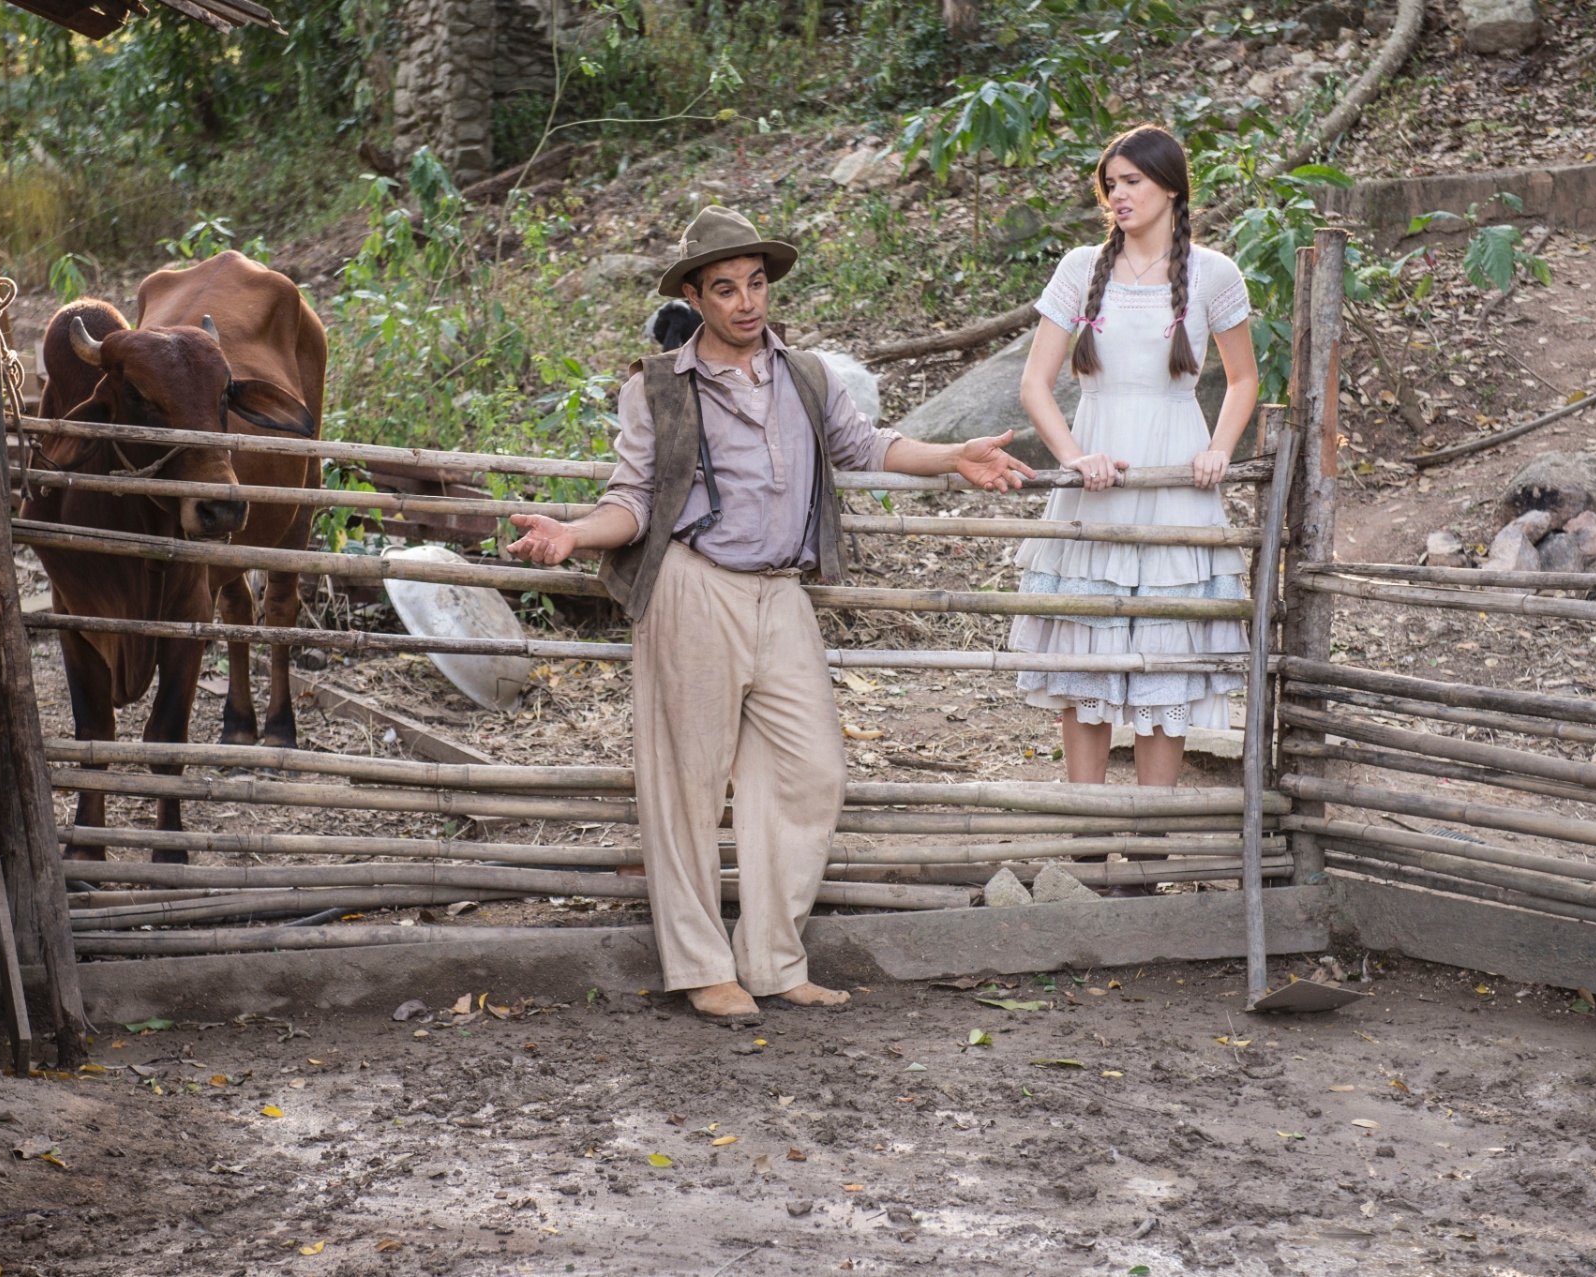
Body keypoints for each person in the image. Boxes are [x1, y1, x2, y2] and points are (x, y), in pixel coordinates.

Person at [505, 206, 1035, 1025]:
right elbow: (633, 501)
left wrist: (954, 457)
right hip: (694, 585)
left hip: (782, 592)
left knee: (811, 769)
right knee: (686, 782)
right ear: (695, 295)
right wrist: (574, 534)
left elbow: (871, 446)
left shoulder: (808, 375)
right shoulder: (657, 388)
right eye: (726, 289)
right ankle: (701, 965)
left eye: (755, 284)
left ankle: (773, 958)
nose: (746, 302)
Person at [1010, 123, 1260, 793]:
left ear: (1170, 188)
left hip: (1175, 475)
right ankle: (1086, 833)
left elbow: (1243, 380)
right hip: (1096, 477)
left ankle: (1150, 842)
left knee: (1165, 653)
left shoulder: (1212, 274)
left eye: (1132, 182)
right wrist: (1074, 456)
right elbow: (1035, 383)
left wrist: (1217, 449)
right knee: (1085, 656)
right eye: (1110, 184)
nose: (1117, 195)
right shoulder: (1080, 268)